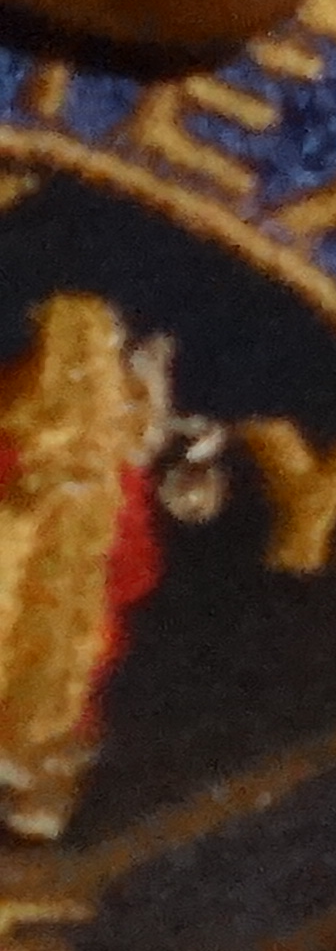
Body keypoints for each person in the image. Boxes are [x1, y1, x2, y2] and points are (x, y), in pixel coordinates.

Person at [0, 295, 215, 847]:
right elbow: (135, 562)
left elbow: (134, 559)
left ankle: (34, 785)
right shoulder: (25, 432)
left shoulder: (110, 461)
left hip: (67, 620)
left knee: (56, 693)